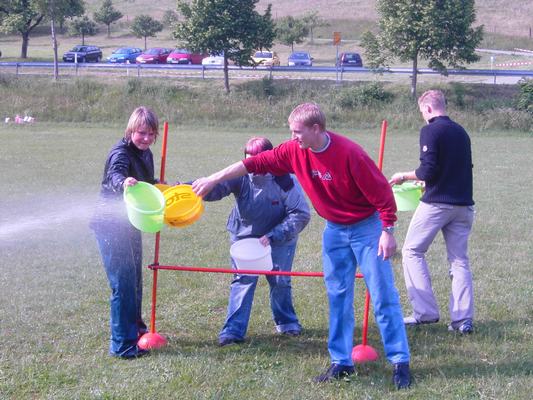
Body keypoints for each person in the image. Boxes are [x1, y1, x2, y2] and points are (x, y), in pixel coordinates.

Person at [192, 103, 411, 389]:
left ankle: (400, 362)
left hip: (366, 227)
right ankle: (341, 362)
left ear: (316, 129)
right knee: (338, 295)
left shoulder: (350, 153)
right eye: (291, 131)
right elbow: (251, 164)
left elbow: (383, 193)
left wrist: (388, 230)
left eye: (297, 132)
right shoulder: (293, 150)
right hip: (334, 229)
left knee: (382, 294)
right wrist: (212, 178)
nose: (292, 136)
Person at [201, 137, 311, 346]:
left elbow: (301, 214)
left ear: (269, 158)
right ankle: (233, 331)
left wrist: (273, 235)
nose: (253, 166)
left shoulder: (285, 180)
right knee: (243, 280)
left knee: (280, 280)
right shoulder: (239, 176)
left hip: (279, 239)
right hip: (244, 237)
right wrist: (191, 189)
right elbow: (216, 188)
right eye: (248, 160)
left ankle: (287, 323)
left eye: (258, 160)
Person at [389, 89, 475, 334]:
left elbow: (427, 170)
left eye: (421, 112)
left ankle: (424, 313)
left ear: (427, 109)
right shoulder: (461, 131)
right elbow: (456, 168)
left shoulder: (430, 130)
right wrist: (427, 181)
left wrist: (402, 176)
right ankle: (463, 320)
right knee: (459, 261)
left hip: (438, 204)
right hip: (464, 205)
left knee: (412, 251)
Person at [90, 106, 159, 358]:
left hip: (131, 223)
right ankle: (122, 345)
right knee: (123, 286)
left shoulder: (146, 153)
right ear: (131, 130)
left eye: (152, 134)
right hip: (110, 226)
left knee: (135, 282)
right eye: (142, 133)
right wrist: (124, 181)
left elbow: (146, 184)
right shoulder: (120, 153)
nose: (147, 139)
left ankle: (137, 331)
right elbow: (115, 175)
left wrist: (161, 186)